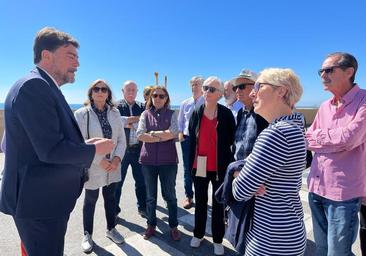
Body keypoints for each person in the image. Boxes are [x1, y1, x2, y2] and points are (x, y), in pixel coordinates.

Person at [0, 27, 114, 256]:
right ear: (46, 55)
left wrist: (84, 145)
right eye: (70, 55)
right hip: (38, 205)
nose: (77, 64)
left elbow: (33, 142)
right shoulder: (35, 86)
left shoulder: (42, 85)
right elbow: (50, 150)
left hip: (40, 201)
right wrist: (93, 150)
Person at [232, 68, 307, 255]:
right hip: (288, 231)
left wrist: (237, 170)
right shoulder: (295, 127)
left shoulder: (276, 133)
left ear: (281, 91)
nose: (252, 92)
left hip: (270, 238)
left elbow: (240, 190)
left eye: (259, 86)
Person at [306, 52, 366, 256]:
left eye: (329, 70)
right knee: (321, 250)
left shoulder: (364, 101)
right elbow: (308, 139)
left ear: (349, 71)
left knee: (338, 253)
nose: (323, 75)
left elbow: (350, 139)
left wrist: (321, 138)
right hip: (316, 188)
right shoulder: (324, 106)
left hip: (343, 194)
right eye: (320, 71)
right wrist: (333, 139)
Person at [74, 79, 126, 253]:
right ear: (91, 93)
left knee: (110, 199)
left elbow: (121, 139)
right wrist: (100, 160)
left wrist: (117, 159)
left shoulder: (115, 113)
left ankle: (111, 229)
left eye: (104, 89)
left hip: (113, 165)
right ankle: (87, 234)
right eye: (96, 89)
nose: (100, 91)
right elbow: (80, 142)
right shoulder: (81, 114)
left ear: (108, 93)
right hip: (94, 166)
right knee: (90, 201)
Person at [189, 76, 236, 255]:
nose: (207, 92)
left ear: (220, 94)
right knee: (200, 202)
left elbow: (233, 141)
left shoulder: (226, 114)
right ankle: (198, 234)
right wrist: (189, 168)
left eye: (212, 89)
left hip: (219, 168)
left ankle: (218, 239)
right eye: (206, 88)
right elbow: (192, 141)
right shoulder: (197, 112)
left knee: (218, 205)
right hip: (199, 165)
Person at [136, 85, 181, 241]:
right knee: (150, 196)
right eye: (155, 95)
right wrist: (164, 135)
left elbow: (174, 132)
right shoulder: (145, 114)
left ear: (166, 98)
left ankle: (173, 226)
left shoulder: (172, 114)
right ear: (151, 98)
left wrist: (153, 134)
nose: (158, 98)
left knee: (170, 196)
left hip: (168, 161)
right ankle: (151, 225)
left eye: (162, 96)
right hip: (148, 161)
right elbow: (140, 135)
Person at [115, 80, 147, 218]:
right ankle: (114, 211)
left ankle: (143, 207)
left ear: (137, 91)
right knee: (117, 183)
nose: (131, 92)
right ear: (123, 91)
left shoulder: (143, 106)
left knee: (141, 182)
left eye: (134, 90)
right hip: (121, 152)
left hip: (138, 150)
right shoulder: (115, 106)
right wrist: (135, 120)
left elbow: (146, 123)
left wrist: (127, 121)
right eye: (128, 90)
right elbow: (115, 122)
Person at [177, 76, 205, 209]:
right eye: (193, 84)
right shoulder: (185, 103)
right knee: (187, 169)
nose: (194, 87)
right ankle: (189, 196)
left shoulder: (207, 102)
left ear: (203, 86)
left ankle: (200, 197)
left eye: (197, 84)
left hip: (202, 141)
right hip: (187, 140)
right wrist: (181, 133)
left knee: (200, 169)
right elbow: (180, 120)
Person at [231, 69, 268, 161]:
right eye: (235, 87)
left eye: (242, 86)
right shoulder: (240, 112)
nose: (237, 91)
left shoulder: (264, 113)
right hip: (238, 168)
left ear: (256, 87)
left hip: (255, 171)